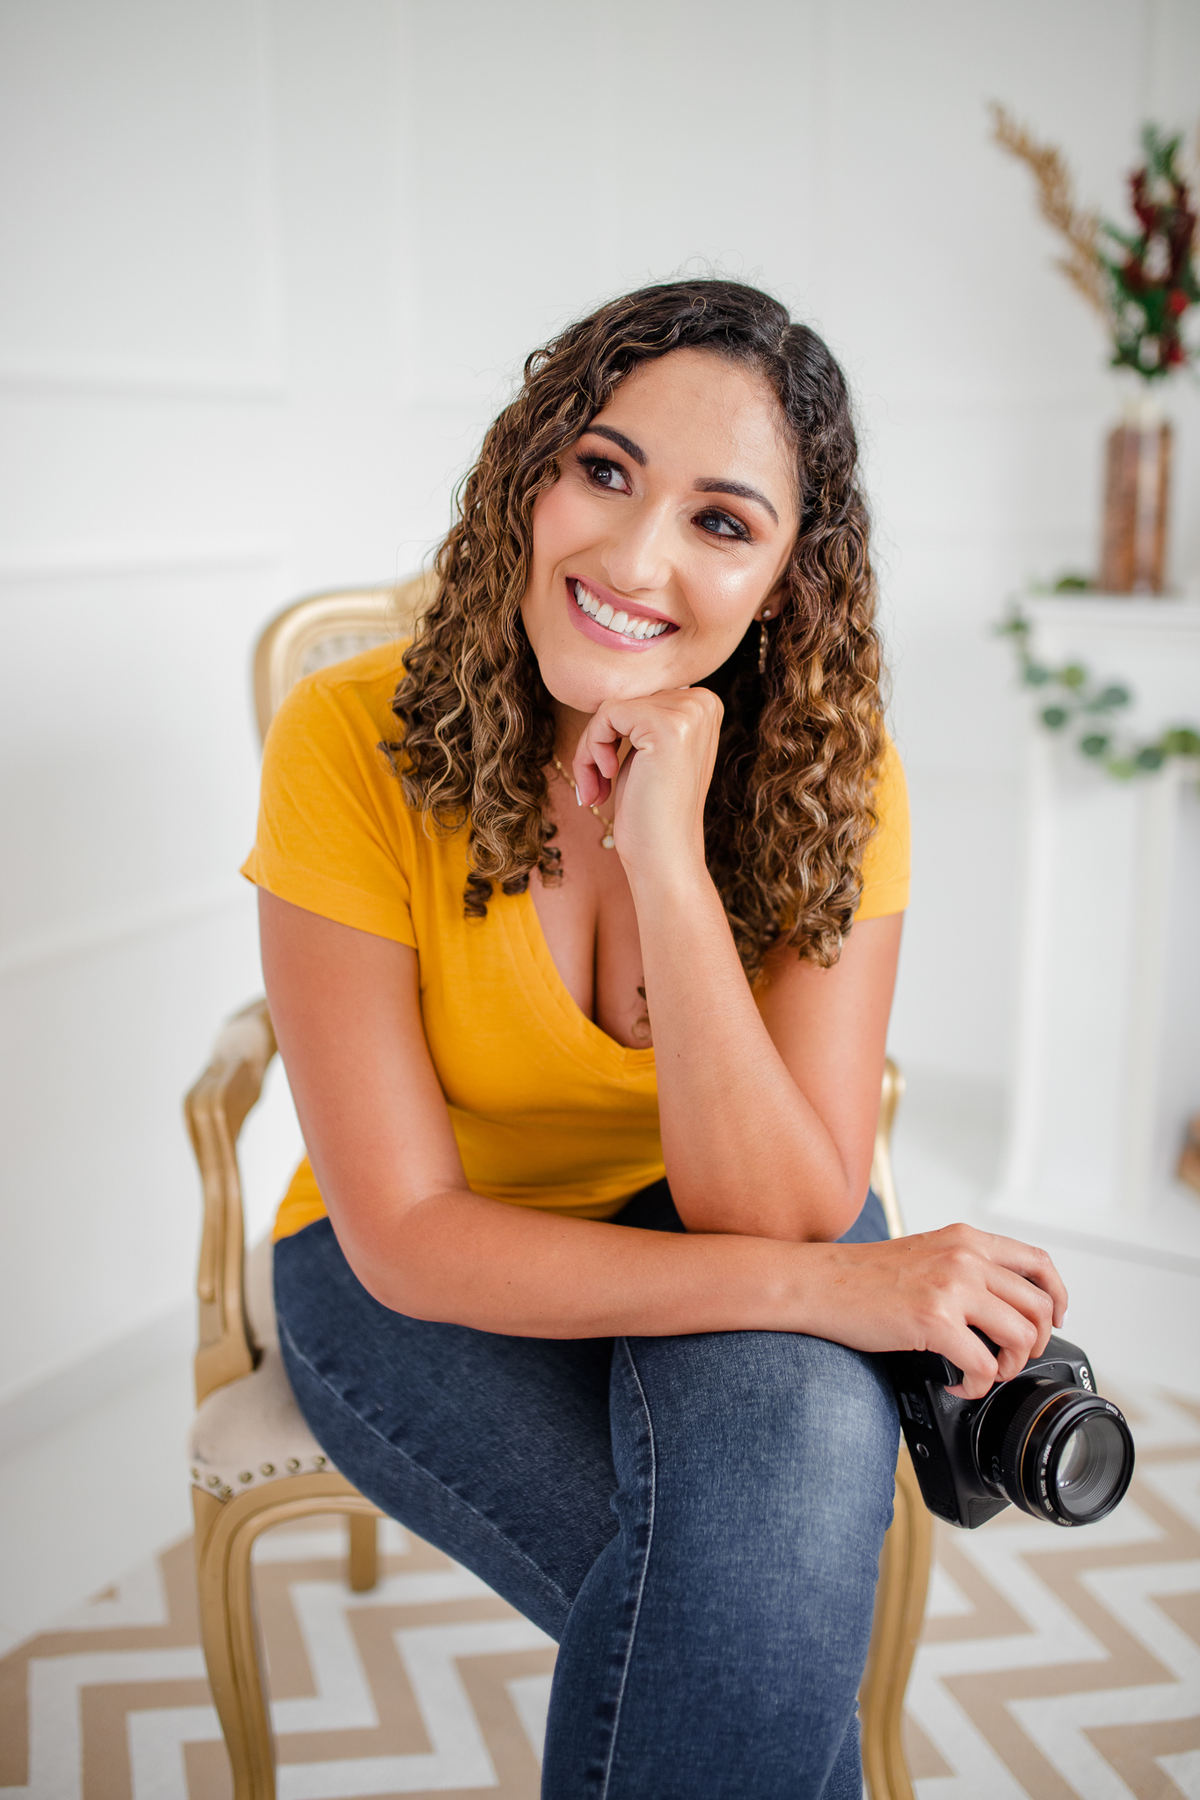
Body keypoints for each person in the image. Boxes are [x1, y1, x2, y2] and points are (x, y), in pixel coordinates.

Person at [244, 279, 1066, 1799]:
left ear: (787, 584)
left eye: (722, 520)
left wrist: (667, 860)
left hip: (715, 1216)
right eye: (605, 470)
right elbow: (409, 1234)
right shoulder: (349, 741)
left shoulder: (835, 777)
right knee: (748, 1623)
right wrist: (832, 1291)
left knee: (744, 1615)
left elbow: (782, 1202)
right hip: (415, 1272)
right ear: (529, 475)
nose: (632, 559)